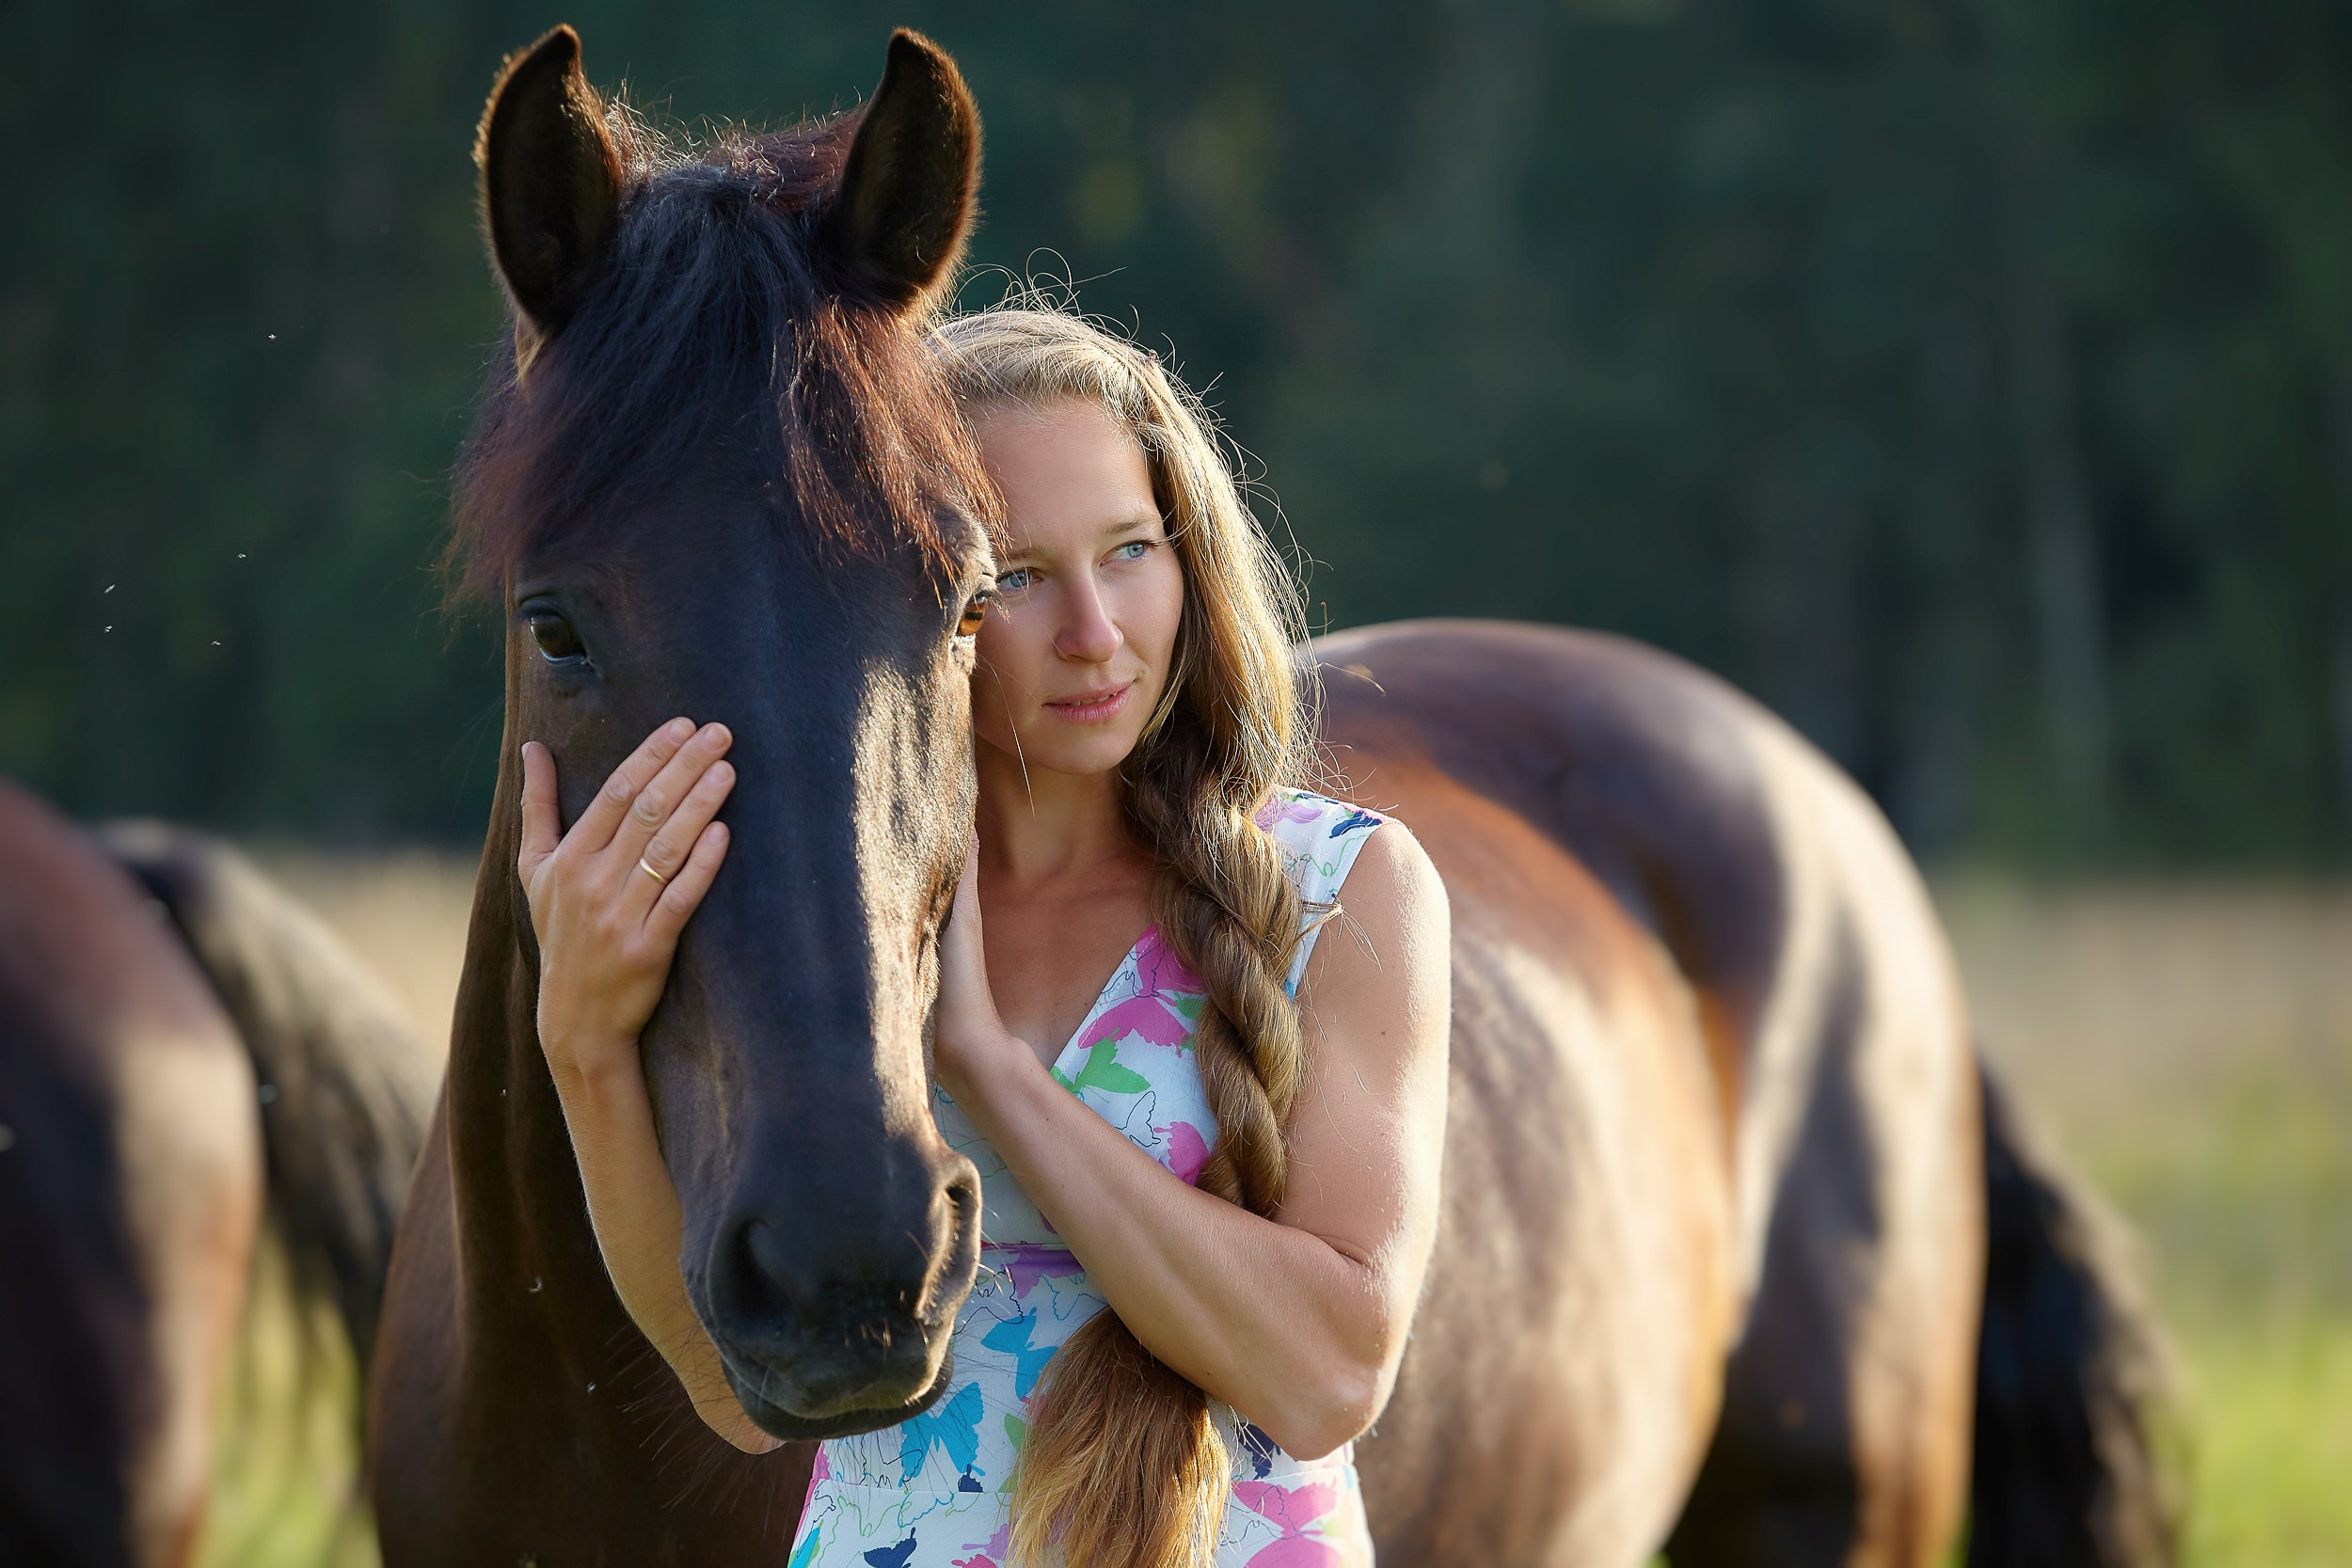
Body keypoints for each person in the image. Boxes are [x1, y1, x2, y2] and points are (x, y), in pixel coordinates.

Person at [515, 306, 1451, 1568]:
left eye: (1128, 550)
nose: (1094, 633)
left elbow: (1330, 1378)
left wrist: (989, 1069)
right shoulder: (826, 921)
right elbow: (736, 1395)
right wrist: (581, 1036)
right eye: (1014, 575)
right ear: (915, 603)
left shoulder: (1343, 886)